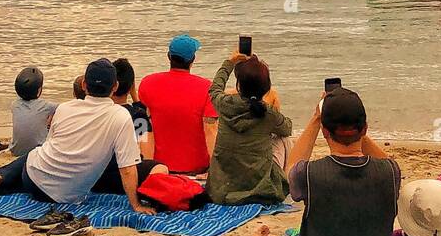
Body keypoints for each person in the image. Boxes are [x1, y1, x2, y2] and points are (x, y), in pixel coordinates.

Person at [0, 58, 151, 213]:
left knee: (37, 154)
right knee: (39, 157)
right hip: (68, 195)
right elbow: (127, 168)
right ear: (115, 86)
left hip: (32, 180)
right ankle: (0, 180)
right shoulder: (121, 116)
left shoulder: (64, 108)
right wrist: (135, 204)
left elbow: (50, 146)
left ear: (84, 85)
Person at [287, 88, 400, 236]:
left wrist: (317, 118)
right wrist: (357, 132)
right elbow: (386, 161)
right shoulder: (390, 173)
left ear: (325, 132)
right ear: (365, 129)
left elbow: (291, 168)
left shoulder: (310, 175)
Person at [205, 50, 292, 205]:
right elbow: (287, 128)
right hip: (259, 190)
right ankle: (286, 179)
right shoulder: (268, 113)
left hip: (221, 190)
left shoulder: (225, 104)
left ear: (238, 85)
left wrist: (229, 63)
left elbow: (214, 89)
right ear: (266, 88)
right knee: (283, 138)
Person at [138, 34, 217, 174]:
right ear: (193, 60)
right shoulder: (207, 88)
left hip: (158, 168)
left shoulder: (147, 84)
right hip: (196, 169)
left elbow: (142, 126)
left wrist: (144, 164)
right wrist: (215, 170)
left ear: (169, 56)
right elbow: (210, 131)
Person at [92, 57, 166, 193]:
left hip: (94, 179)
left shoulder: (94, 112)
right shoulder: (138, 117)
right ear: (131, 86)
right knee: (159, 167)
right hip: (122, 181)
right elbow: (146, 154)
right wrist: (134, 95)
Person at [10, 65, 57, 158]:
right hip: (39, 151)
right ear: (39, 90)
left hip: (16, 151)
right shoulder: (46, 106)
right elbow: (64, 109)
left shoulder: (14, 104)